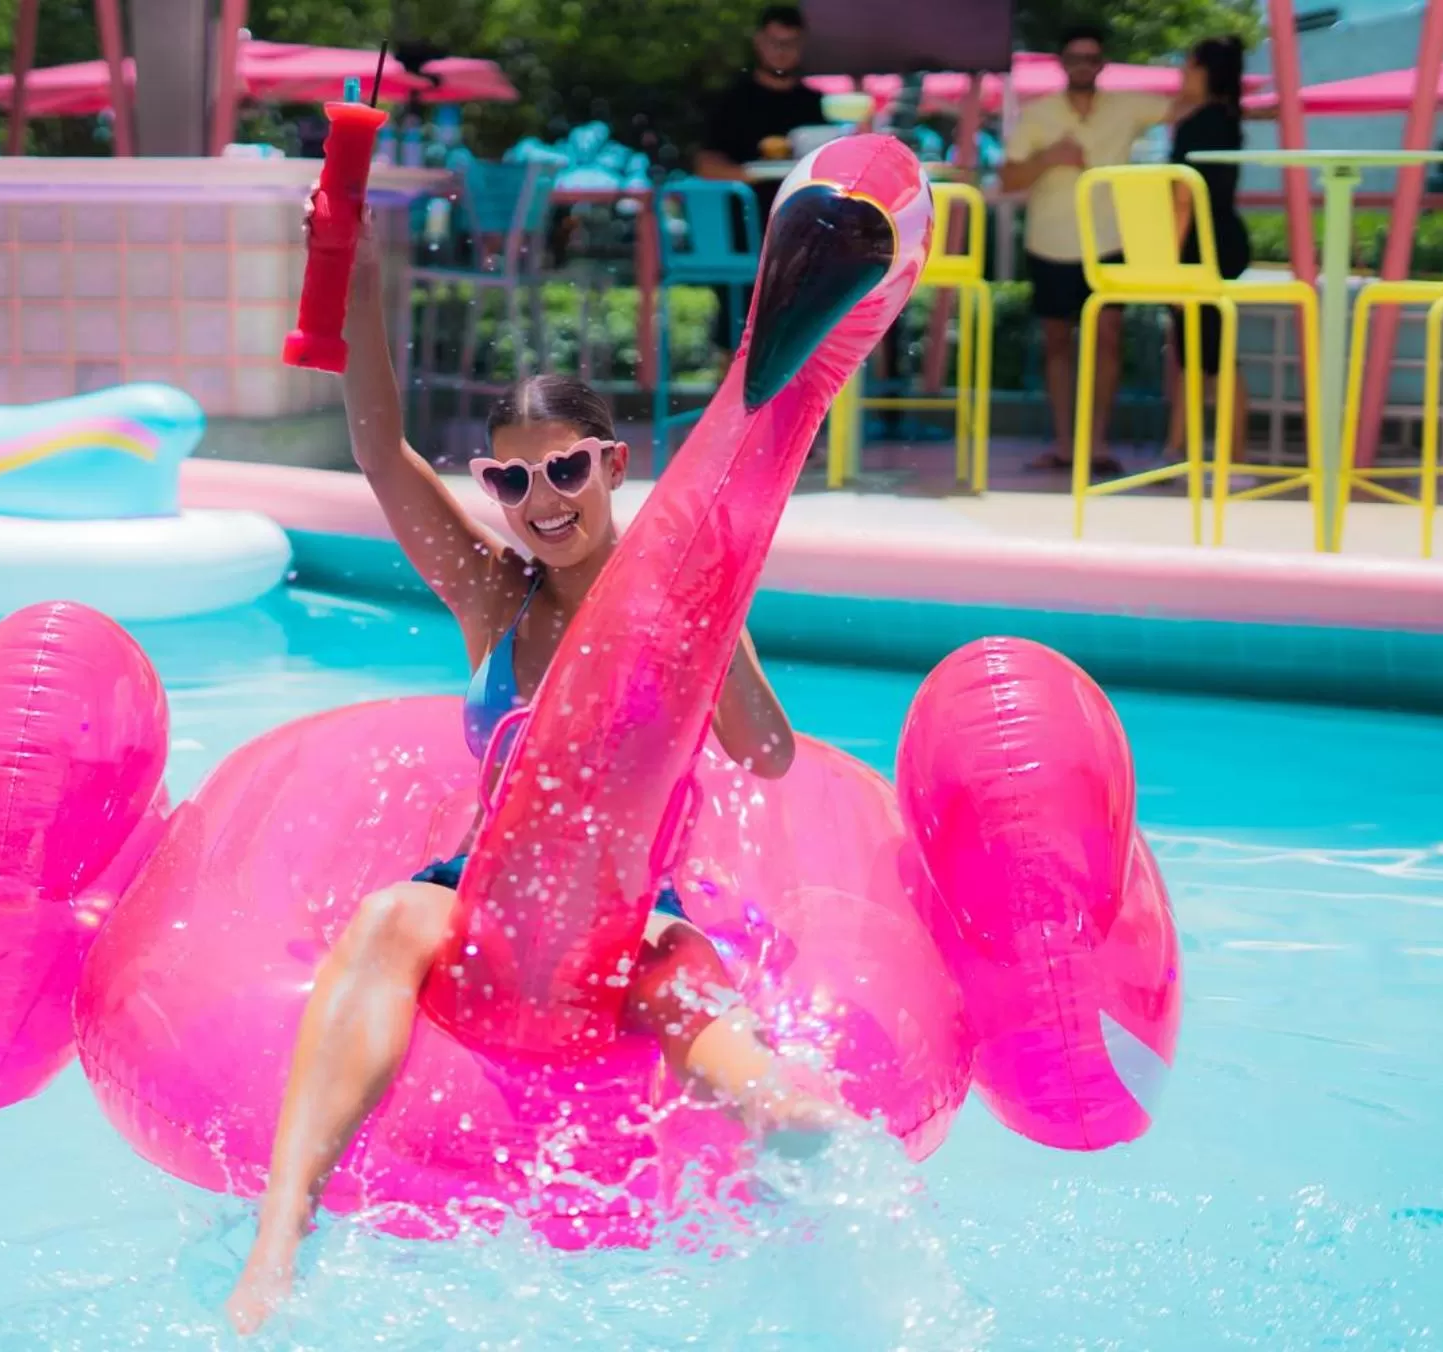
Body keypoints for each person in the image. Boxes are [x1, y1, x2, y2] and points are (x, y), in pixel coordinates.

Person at [225, 203, 848, 1335]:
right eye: (511, 483)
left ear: (613, 463)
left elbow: (768, 751)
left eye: (564, 469)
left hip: (626, 901)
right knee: (384, 920)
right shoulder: (492, 594)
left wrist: (717, 621)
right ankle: (280, 1237)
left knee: (674, 971)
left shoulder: (676, 599)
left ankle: (783, 1118)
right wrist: (352, 275)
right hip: (486, 889)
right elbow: (377, 448)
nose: (542, 501)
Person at [1001, 25, 1184, 475]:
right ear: (1062, 63)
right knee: (1057, 344)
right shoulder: (1038, 114)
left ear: (1101, 64)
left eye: (1091, 57)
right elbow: (1007, 179)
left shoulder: (1128, 106)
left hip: (1109, 240)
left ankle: (1096, 444)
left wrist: (1246, 103)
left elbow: (1186, 108)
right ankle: (1065, 444)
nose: (1083, 64)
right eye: (1075, 57)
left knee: (1108, 340)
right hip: (1051, 241)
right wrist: (1049, 158)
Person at [695, 5, 825, 363]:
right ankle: (729, 412)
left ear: (802, 45)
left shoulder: (817, 107)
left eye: (790, 43)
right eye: (774, 42)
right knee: (736, 329)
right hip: (743, 234)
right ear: (759, 43)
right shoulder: (733, 102)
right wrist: (750, 174)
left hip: (802, 234)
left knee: (804, 328)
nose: (781, 51)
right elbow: (706, 164)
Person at [1163, 36, 1253, 465]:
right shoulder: (1226, 118)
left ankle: (1229, 458)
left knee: (1211, 356)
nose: (1181, 74)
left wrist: (1170, 260)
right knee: (1198, 354)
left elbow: (1183, 198)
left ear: (1204, 71)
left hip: (1202, 246)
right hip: (1221, 240)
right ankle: (1180, 450)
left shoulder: (1199, 122)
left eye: (1187, 66)